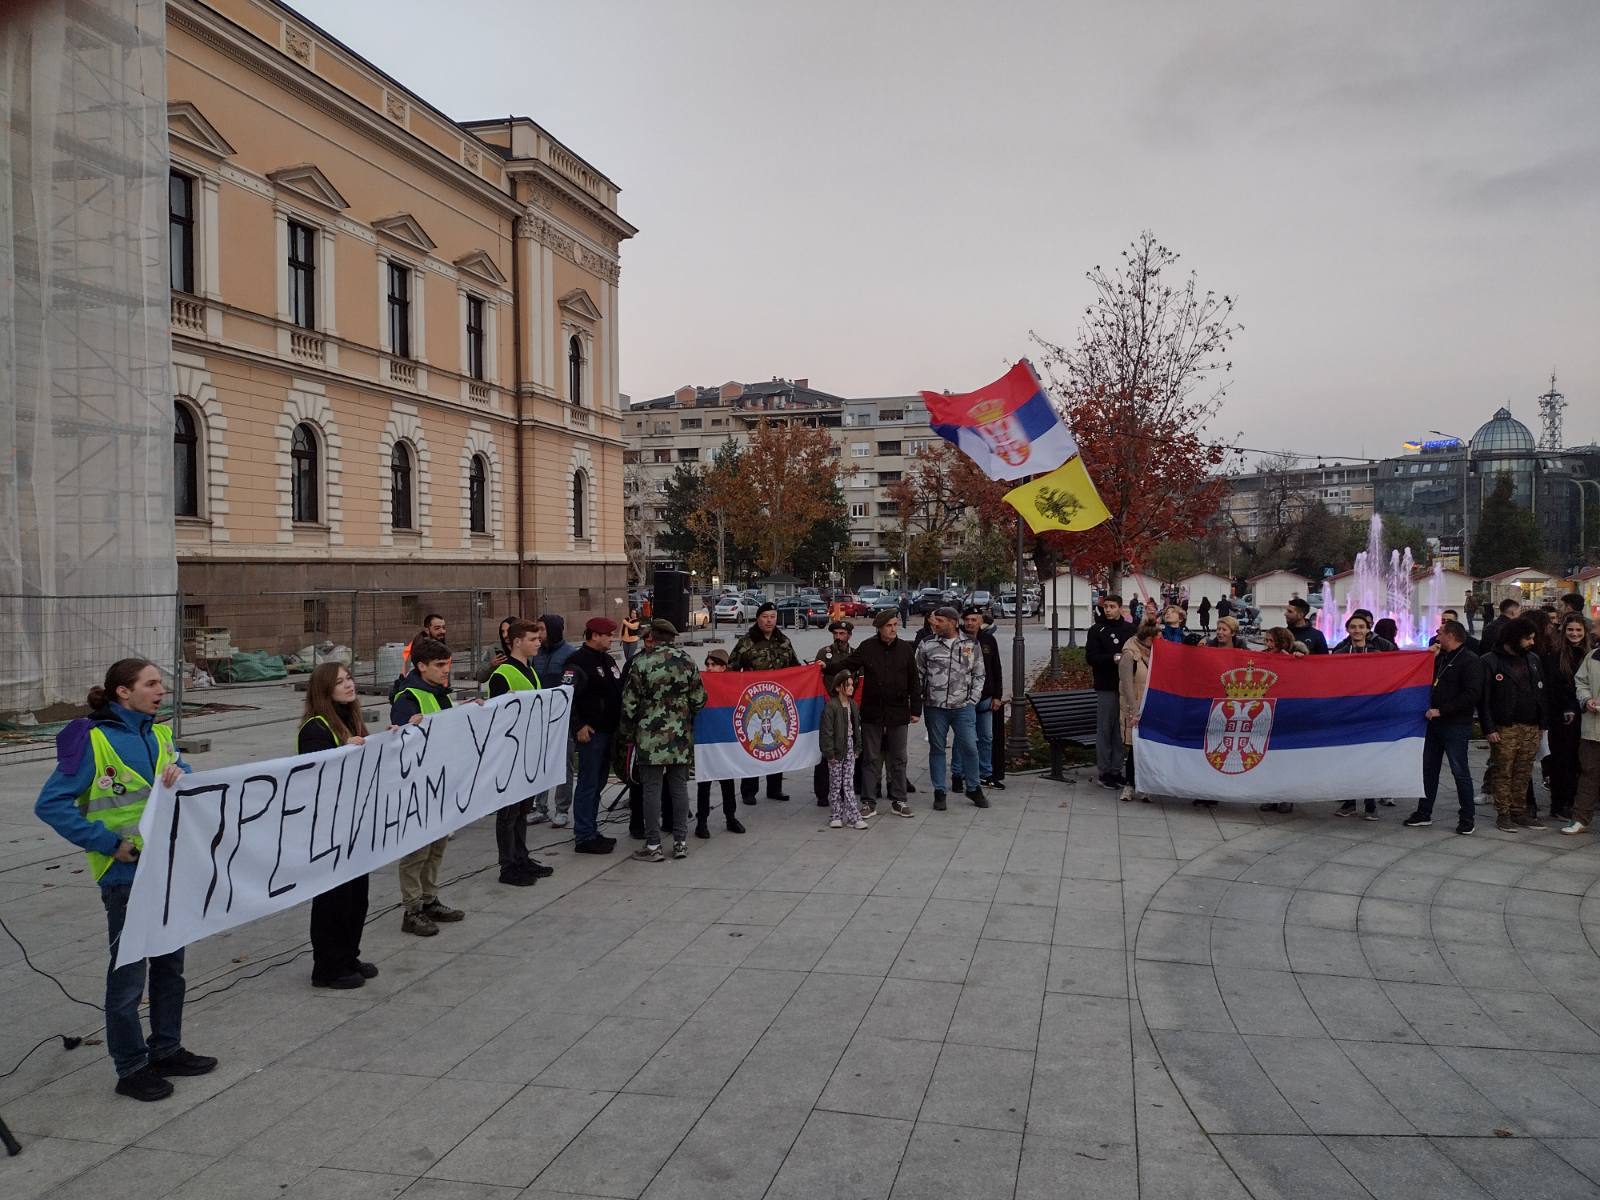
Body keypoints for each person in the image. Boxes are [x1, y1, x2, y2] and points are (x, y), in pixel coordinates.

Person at [34, 658, 216, 1101]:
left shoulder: (159, 732)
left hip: (168, 868)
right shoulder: (92, 739)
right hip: (124, 875)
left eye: (161, 683)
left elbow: (177, 783)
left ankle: (167, 1048)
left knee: (171, 965)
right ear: (122, 691)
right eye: (151, 684)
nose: (161, 690)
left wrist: (181, 775)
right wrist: (106, 842)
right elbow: (50, 804)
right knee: (129, 975)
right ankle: (131, 1067)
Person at [299, 663, 378, 987]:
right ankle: (327, 966)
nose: (349, 685)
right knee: (334, 898)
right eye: (340, 681)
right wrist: (342, 753)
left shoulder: (350, 718)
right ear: (324, 689)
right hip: (329, 827)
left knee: (357, 896)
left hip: (354, 821)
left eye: (349, 678)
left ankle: (348, 955)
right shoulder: (315, 728)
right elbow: (314, 775)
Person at [391, 637, 466, 934]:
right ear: (421, 666)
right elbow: (399, 740)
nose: (446, 670)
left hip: (441, 782)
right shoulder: (408, 697)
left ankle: (429, 898)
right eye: (439, 665)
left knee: (437, 846)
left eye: (448, 664)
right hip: (419, 787)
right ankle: (411, 910)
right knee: (417, 851)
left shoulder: (438, 692)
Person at [621, 619, 707, 861]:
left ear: (653, 636)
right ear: (672, 637)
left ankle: (653, 846)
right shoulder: (687, 661)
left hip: (649, 737)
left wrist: (627, 733)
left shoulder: (642, 662)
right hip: (680, 735)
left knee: (651, 789)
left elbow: (629, 703)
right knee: (679, 787)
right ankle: (680, 842)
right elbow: (700, 699)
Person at [482, 619, 552, 883]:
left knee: (523, 808)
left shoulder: (530, 670)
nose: (538, 643)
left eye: (538, 639)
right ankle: (507, 865)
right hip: (510, 752)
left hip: (528, 750)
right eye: (533, 639)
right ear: (517, 642)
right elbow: (498, 717)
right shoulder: (502, 674)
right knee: (509, 812)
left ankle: (521, 856)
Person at [1401, 620, 1486, 834]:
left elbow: (1472, 694)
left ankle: (1467, 817)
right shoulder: (1441, 657)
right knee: (1429, 770)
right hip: (1433, 725)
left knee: (1460, 772)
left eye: (1440, 633)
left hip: (1455, 725)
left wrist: (1442, 710)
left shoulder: (1470, 661)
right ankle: (1424, 812)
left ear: (1451, 635)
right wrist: (1430, 658)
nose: (1436, 637)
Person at [846, 610, 922, 818]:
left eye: (895, 625)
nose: (893, 629)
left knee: (899, 757)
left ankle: (899, 799)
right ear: (879, 627)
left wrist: (916, 709)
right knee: (871, 758)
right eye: (889, 625)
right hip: (873, 712)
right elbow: (848, 664)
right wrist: (825, 668)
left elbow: (914, 681)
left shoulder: (905, 649)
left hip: (898, 712)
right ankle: (869, 801)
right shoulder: (868, 647)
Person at [916, 605, 988, 811]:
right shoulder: (927, 644)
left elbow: (979, 673)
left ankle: (973, 787)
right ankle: (940, 791)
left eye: (940, 621)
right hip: (935, 707)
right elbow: (918, 674)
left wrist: (973, 699)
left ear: (953, 622)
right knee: (937, 749)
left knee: (970, 748)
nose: (935, 624)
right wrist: (919, 700)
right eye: (934, 621)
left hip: (962, 707)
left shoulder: (970, 644)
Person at [1481, 616, 1548, 833]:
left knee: (1524, 770)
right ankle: (1504, 813)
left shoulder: (1533, 659)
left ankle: (1520, 811)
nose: (1531, 642)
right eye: (1527, 638)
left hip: (1531, 725)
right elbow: (1484, 700)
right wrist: (1489, 728)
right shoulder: (1490, 661)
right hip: (1504, 727)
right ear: (1513, 638)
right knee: (1503, 771)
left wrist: (1542, 724)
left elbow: (1541, 693)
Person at [730, 601, 800, 805]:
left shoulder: (784, 641)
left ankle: (775, 788)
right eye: (765, 617)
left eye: (773, 617)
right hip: (755, 704)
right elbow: (732, 670)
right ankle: (749, 791)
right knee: (755, 744)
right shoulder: (746, 642)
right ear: (758, 618)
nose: (769, 621)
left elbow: (795, 669)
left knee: (776, 744)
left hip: (777, 703)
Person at [566, 616, 624, 855]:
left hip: (609, 731)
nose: (612, 638)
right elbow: (566, 698)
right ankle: (584, 835)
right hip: (591, 733)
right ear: (595, 636)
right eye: (608, 635)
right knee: (588, 783)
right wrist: (578, 725)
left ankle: (591, 828)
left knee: (599, 781)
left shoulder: (607, 659)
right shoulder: (576, 662)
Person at [1332, 614, 1391, 819]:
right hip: (1347, 712)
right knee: (1347, 757)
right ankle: (1349, 801)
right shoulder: (1339, 654)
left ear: (1368, 630)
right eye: (1353, 627)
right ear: (1347, 629)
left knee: (1369, 757)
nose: (1357, 630)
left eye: (1361, 627)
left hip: (1370, 713)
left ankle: (1370, 803)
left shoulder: (1378, 653)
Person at [530, 612, 578, 828]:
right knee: (539, 762)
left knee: (563, 764)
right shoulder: (537, 654)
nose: (539, 634)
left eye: (542, 629)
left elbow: (569, 687)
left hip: (562, 719)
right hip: (540, 717)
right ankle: (540, 807)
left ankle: (561, 809)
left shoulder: (569, 654)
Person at [1542, 614, 1590, 823]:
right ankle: (1560, 804)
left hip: (1586, 715)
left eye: (1578, 630)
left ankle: (1575, 802)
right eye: (1571, 630)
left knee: (1582, 761)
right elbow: (1554, 688)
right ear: (1564, 631)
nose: (1574, 634)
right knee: (1563, 761)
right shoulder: (1555, 655)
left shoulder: (1589, 654)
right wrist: (1566, 707)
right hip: (1562, 717)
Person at [695, 649, 747, 838]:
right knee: (704, 782)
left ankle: (730, 817)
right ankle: (702, 822)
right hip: (706, 741)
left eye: (714, 665)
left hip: (725, 740)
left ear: (724, 667)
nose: (709, 668)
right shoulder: (700, 683)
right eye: (707, 664)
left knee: (727, 780)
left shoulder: (731, 685)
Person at [1086, 593, 1135, 789]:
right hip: (1106, 685)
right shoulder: (1097, 630)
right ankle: (1104, 771)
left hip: (1126, 687)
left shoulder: (1130, 630)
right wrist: (1113, 658)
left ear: (1120, 608)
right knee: (1105, 729)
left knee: (1120, 730)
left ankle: (1117, 769)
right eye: (1106, 606)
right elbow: (1091, 657)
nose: (1108, 609)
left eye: (1112, 606)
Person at [813, 619, 857, 806]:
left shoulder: (855, 655)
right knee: (827, 749)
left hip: (848, 706)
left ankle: (846, 789)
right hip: (829, 705)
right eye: (836, 634)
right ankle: (823, 793)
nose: (839, 637)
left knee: (848, 748)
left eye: (842, 634)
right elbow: (815, 676)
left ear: (849, 635)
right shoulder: (825, 653)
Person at [963, 605, 1006, 791]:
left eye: (974, 620)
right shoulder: (959, 641)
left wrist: (998, 696)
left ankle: (985, 773)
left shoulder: (989, 641)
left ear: (981, 621)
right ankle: (964, 773)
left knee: (986, 737)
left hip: (986, 698)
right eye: (967, 620)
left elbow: (996, 669)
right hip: (964, 699)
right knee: (966, 739)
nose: (970, 623)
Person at [821, 669, 869, 829]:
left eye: (851, 685)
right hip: (835, 750)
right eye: (847, 685)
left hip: (849, 747)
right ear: (837, 688)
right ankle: (836, 814)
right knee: (835, 783)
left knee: (848, 782)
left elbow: (857, 728)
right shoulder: (831, 706)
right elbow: (826, 732)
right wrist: (829, 752)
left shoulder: (853, 705)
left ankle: (853, 817)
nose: (851, 687)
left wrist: (857, 747)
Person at [1563, 633, 1600, 835]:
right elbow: (1581, 683)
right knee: (1588, 774)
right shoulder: (1593, 656)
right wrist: (1586, 700)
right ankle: (1580, 819)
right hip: (1593, 728)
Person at [1118, 617, 1157, 803]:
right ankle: (1129, 785)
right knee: (1134, 749)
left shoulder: (1155, 654)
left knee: (1149, 748)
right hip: (1135, 708)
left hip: (1152, 708)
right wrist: (1134, 711)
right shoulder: (1129, 655)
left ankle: (1146, 785)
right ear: (1148, 639)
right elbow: (1126, 685)